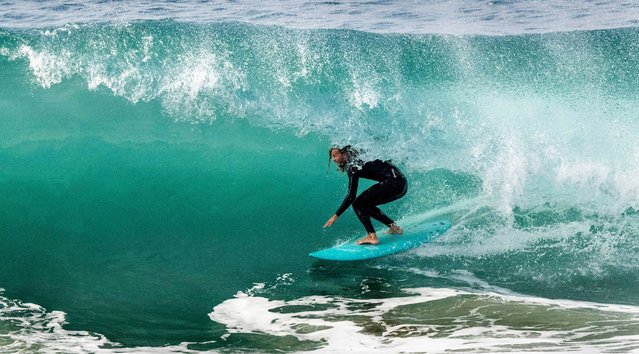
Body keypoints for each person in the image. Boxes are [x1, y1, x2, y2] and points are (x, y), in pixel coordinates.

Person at [323, 145, 407, 245]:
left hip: (393, 183)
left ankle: (372, 236)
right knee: (365, 204)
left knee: (358, 204)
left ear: (344, 153)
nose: (333, 159)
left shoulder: (353, 166)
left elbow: (351, 196)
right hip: (402, 183)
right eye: (332, 156)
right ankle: (394, 228)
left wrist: (335, 216)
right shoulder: (363, 156)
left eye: (335, 155)